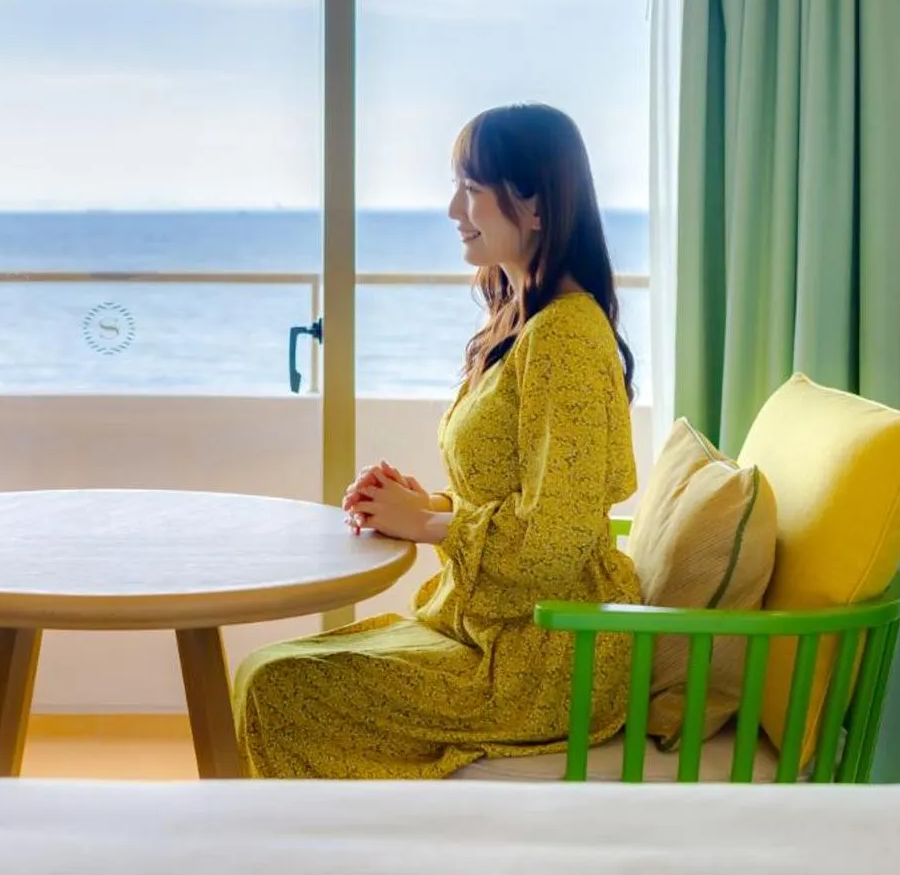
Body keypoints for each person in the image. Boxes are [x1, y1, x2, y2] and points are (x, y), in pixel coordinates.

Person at [234, 103, 640, 778]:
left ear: (536, 208)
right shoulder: (523, 323)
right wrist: (427, 504)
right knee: (268, 674)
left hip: (542, 660)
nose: (454, 209)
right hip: (492, 631)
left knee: (276, 687)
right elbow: (525, 494)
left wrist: (426, 523)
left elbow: (556, 539)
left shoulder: (566, 336)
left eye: (473, 190)